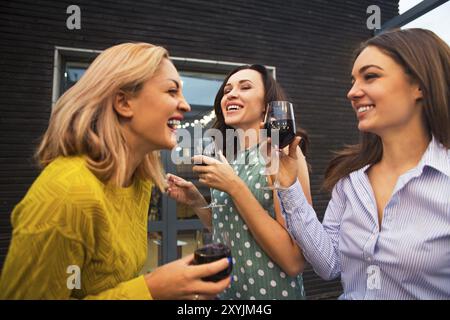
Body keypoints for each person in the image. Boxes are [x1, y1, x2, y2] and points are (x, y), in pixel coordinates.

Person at [0, 42, 230, 300]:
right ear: (123, 103)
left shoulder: (138, 182)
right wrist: (152, 289)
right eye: (171, 91)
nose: (185, 105)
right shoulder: (66, 195)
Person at [275, 28, 450, 299]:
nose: (352, 92)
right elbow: (330, 263)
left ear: (420, 85)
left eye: (370, 76)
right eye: (353, 80)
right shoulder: (351, 180)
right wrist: (289, 185)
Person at [167, 64, 312, 300]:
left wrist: (234, 186)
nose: (231, 94)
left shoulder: (283, 153)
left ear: (267, 106)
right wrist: (196, 201)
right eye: (227, 90)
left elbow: (294, 260)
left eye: (245, 87)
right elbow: (231, 230)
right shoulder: (232, 160)